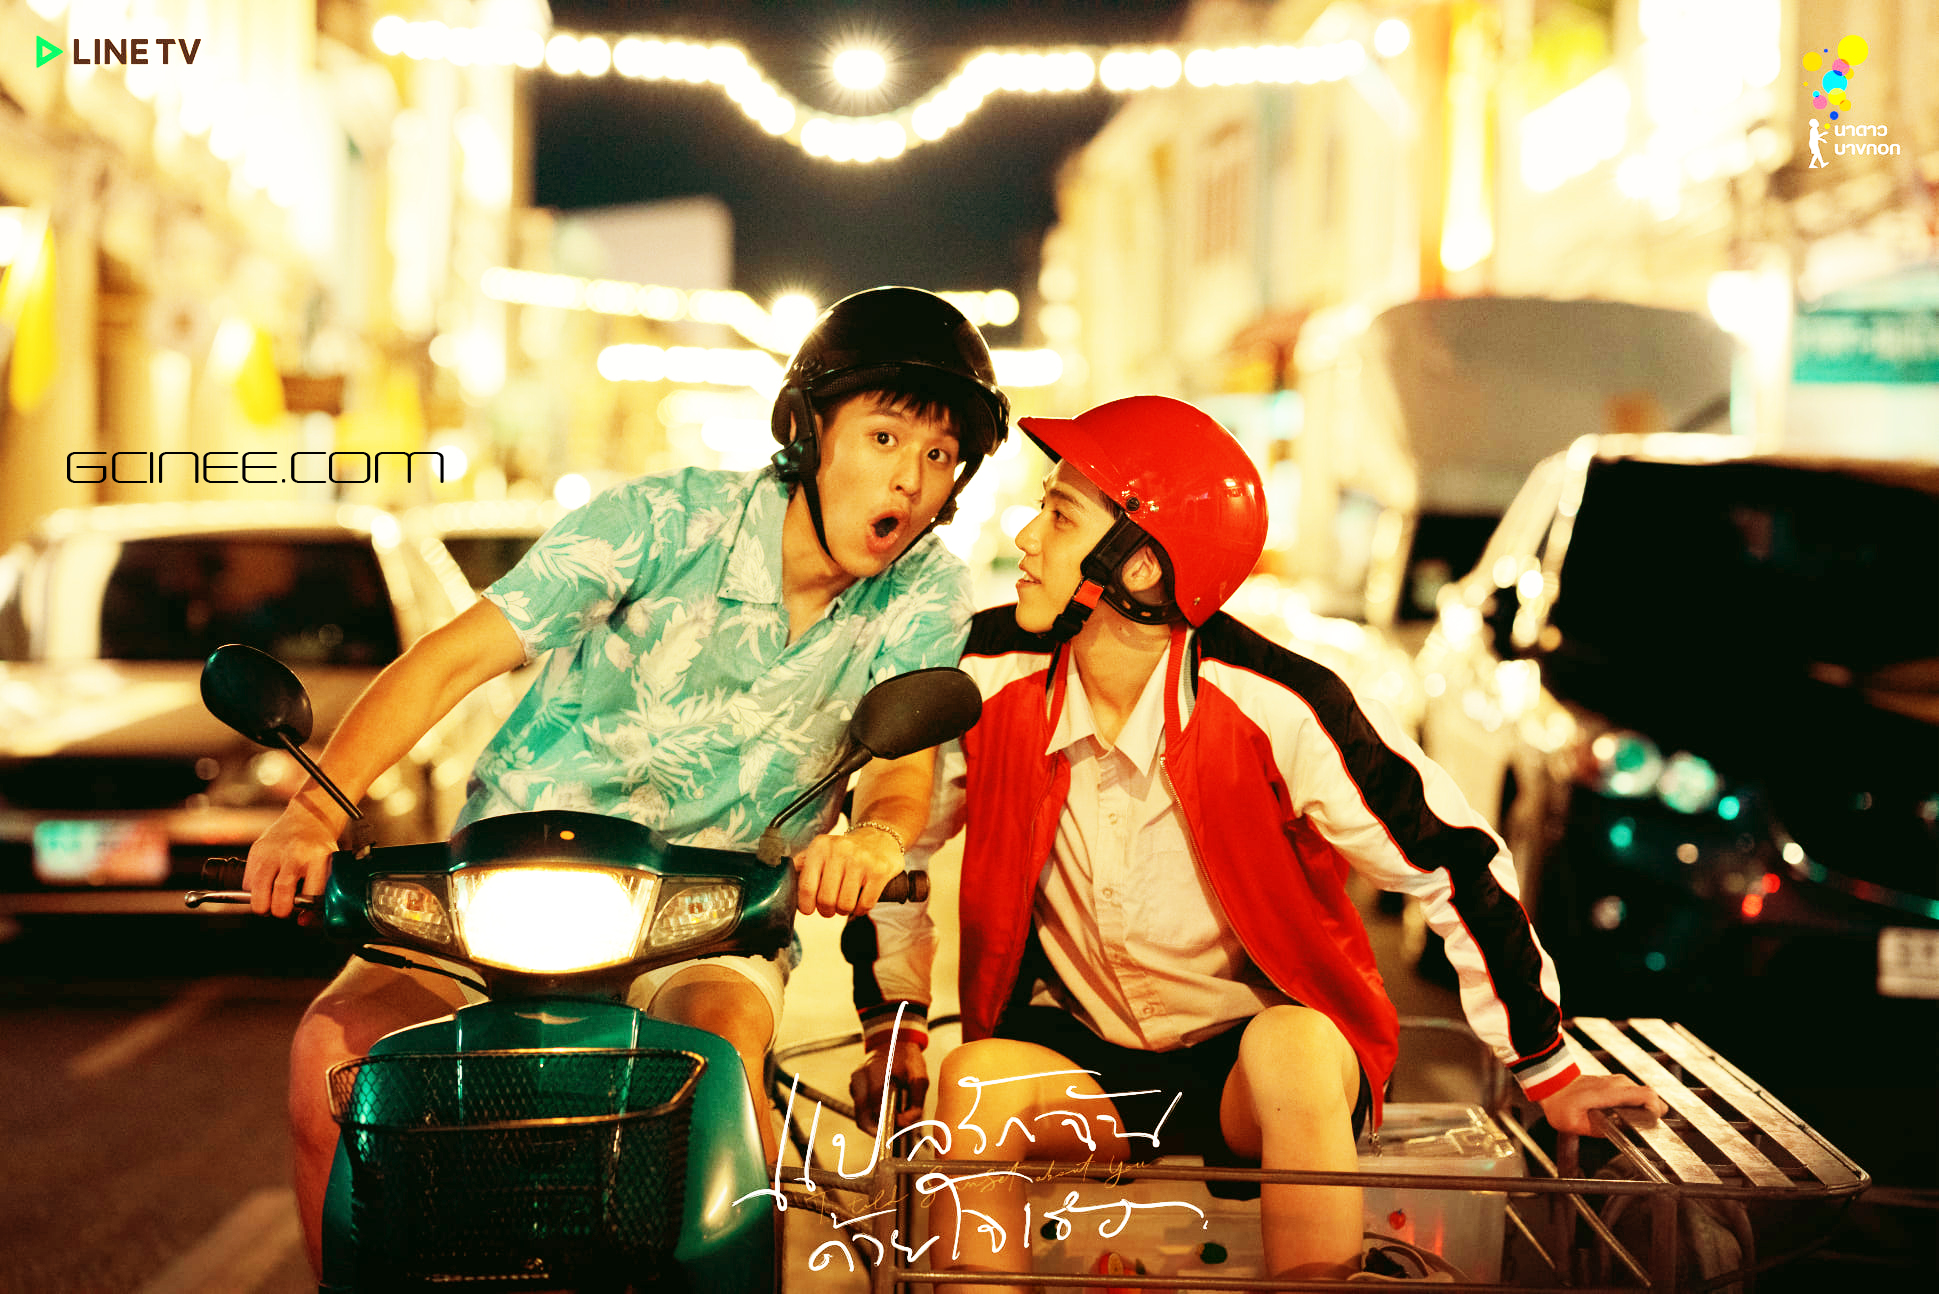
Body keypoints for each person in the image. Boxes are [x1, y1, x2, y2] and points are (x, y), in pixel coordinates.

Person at [243, 286, 1011, 1275]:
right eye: (884, 435)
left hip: (711, 919)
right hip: (497, 884)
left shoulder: (926, 590)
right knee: (331, 1059)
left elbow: (900, 768)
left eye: (940, 456)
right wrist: (315, 809)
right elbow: (450, 661)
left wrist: (872, 838)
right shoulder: (659, 519)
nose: (909, 476)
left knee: (722, 1077)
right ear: (808, 428)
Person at [846, 395, 1666, 1284]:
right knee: (973, 1081)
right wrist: (896, 1021)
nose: (1026, 536)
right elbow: (899, 847)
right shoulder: (982, 672)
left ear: (1141, 568)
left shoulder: (1281, 702)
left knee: (1296, 1049)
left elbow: (1451, 862)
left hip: (1253, 1063)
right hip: (1083, 1059)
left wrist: (1548, 1069)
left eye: (1059, 515)